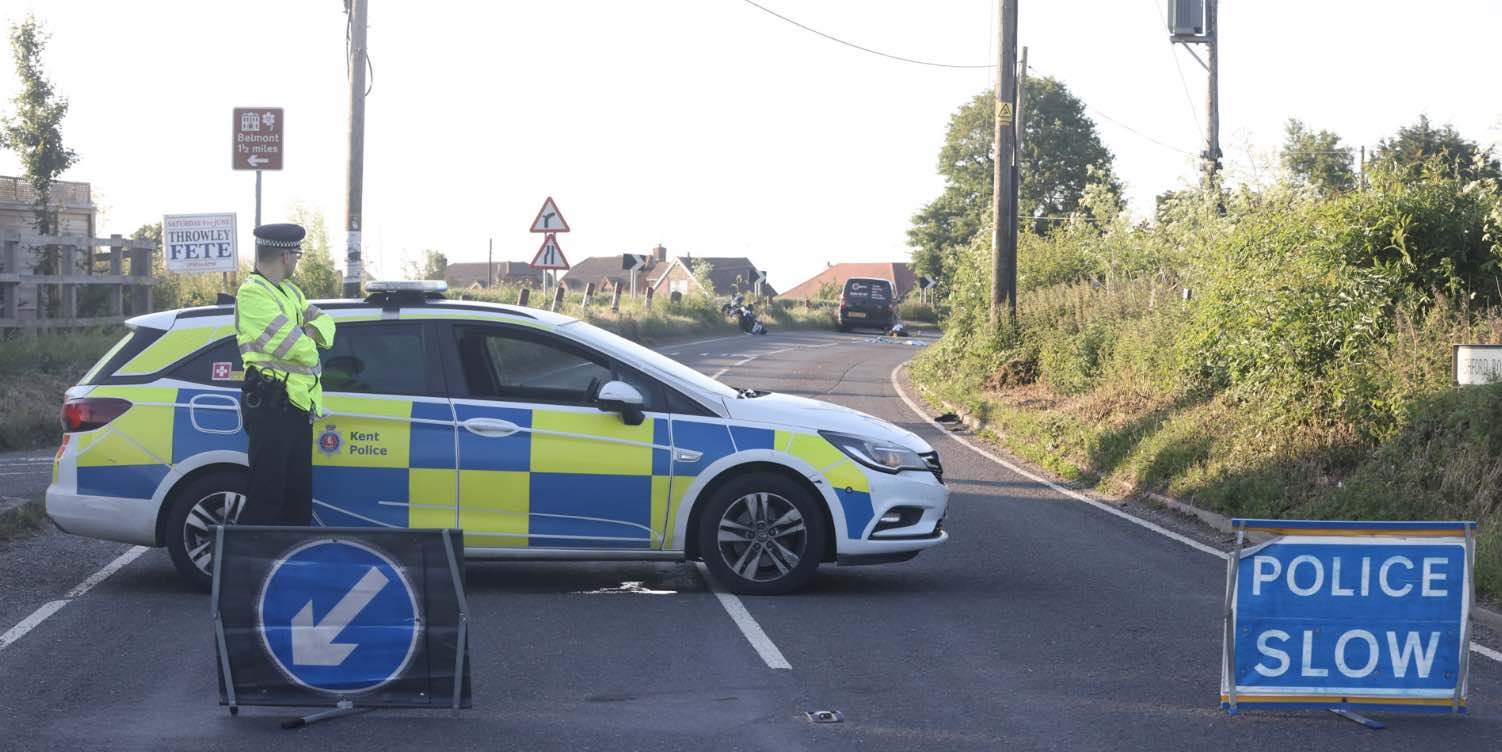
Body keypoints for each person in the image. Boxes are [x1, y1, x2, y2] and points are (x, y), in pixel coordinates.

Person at [234, 223, 336, 525]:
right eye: (297, 254)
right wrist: (307, 337)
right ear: (284, 255)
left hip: (297, 406)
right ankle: (247, 568)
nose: (297, 260)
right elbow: (296, 347)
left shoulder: (290, 291)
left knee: (296, 499)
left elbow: (327, 324)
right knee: (267, 499)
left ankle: (289, 566)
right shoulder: (252, 294)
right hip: (271, 406)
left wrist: (306, 333)